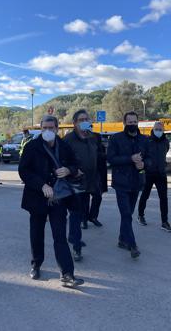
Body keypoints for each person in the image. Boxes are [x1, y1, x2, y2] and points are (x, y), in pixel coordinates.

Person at [19, 115, 85, 288]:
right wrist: (40, 185)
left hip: (59, 199)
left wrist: (68, 170)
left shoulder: (64, 146)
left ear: (57, 128)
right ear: (40, 129)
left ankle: (67, 273)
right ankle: (36, 264)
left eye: (51, 128)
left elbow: (75, 164)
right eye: (44, 128)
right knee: (37, 234)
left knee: (60, 236)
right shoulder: (31, 146)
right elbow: (23, 171)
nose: (47, 131)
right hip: (37, 198)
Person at [107, 112, 149, 259]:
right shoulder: (116, 138)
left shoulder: (144, 139)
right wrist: (130, 158)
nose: (132, 124)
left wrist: (144, 164)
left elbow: (150, 159)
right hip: (121, 183)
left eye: (135, 121)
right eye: (129, 122)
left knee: (128, 214)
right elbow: (111, 159)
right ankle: (132, 245)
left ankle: (121, 239)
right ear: (124, 123)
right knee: (126, 214)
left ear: (138, 122)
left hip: (137, 183)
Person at [63, 109, 98, 261]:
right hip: (74, 184)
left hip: (89, 183)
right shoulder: (68, 140)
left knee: (81, 213)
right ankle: (76, 246)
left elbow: (99, 158)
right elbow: (62, 161)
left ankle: (74, 238)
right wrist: (74, 171)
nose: (85, 122)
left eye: (86, 119)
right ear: (75, 123)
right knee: (76, 215)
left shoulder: (92, 137)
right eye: (81, 119)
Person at [137, 122, 171, 233]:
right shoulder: (147, 141)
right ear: (153, 129)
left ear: (163, 130)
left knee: (164, 198)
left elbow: (165, 152)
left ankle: (165, 222)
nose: (158, 131)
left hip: (161, 174)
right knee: (145, 195)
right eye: (156, 129)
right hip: (149, 173)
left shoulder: (165, 142)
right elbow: (142, 156)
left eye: (160, 129)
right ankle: (140, 215)